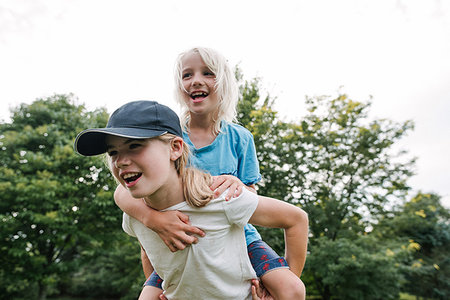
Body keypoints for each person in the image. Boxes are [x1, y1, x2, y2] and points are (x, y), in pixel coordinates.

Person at [115, 47, 307, 299]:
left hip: (236, 239)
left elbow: (250, 194)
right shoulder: (168, 139)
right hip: (177, 237)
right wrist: (155, 220)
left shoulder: (240, 138)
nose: (196, 80)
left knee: (291, 288)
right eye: (187, 75)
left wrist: (237, 184)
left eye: (208, 73)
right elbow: (123, 192)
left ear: (225, 83)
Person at [74, 100, 308, 299]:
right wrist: (165, 285)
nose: (121, 161)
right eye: (113, 152)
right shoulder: (134, 215)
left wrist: (275, 288)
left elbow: (296, 219)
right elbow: (149, 252)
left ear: (175, 148)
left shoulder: (220, 196)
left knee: (293, 290)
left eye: (135, 145)